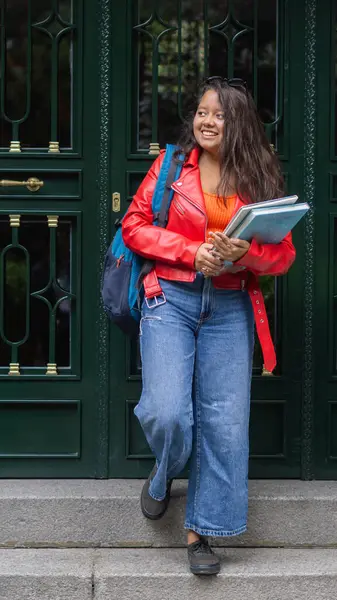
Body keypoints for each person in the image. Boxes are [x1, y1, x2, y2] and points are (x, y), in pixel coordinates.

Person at [122, 77, 296, 576]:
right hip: (169, 299)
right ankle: (163, 474)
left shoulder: (258, 176)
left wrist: (249, 253)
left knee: (225, 424)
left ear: (237, 120)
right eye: (201, 112)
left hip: (229, 306)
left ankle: (202, 533)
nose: (206, 121)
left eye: (218, 114)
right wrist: (190, 251)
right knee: (168, 411)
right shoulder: (173, 165)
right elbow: (133, 226)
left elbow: (282, 256)